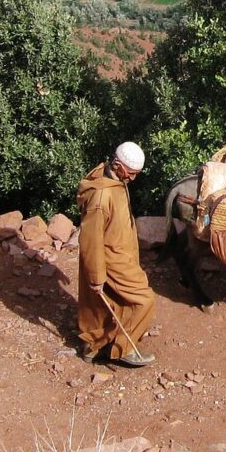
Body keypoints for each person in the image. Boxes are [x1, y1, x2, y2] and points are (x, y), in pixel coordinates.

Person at [77, 141, 156, 367]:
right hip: (111, 259)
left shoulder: (114, 179)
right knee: (144, 300)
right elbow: (91, 239)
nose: (132, 179)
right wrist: (96, 276)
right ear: (118, 164)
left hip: (122, 254)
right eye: (130, 174)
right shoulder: (101, 197)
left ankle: (95, 347)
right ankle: (124, 348)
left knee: (110, 303)